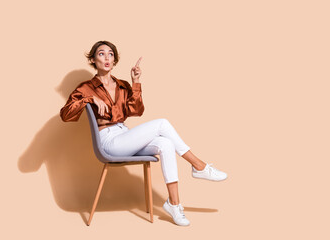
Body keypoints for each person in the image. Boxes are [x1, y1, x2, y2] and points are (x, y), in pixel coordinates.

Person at [60, 40, 227, 226]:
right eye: (101, 54)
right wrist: (88, 99)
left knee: (166, 144)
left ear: (114, 60)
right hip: (108, 142)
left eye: (111, 54)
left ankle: (174, 204)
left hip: (124, 135)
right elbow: (66, 114)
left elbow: (136, 111)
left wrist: (136, 82)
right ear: (93, 59)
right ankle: (199, 166)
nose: (107, 57)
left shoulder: (122, 85)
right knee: (162, 123)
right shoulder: (86, 87)